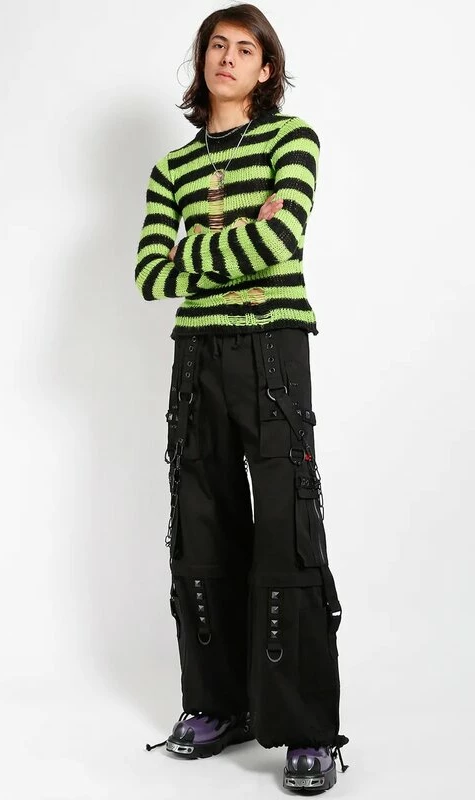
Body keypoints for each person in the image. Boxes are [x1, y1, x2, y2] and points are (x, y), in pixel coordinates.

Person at [137, 3, 349, 792]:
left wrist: (192, 248)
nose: (227, 58)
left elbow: (281, 237)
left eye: (245, 49)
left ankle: (306, 731)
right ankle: (217, 705)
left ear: (267, 69)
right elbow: (148, 274)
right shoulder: (171, 169)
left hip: (271, 346)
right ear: (203, 63)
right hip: (197, 354)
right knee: (200, 525)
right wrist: (231, 244)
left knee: (287, 528)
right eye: (216, 46)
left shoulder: (292, 140)